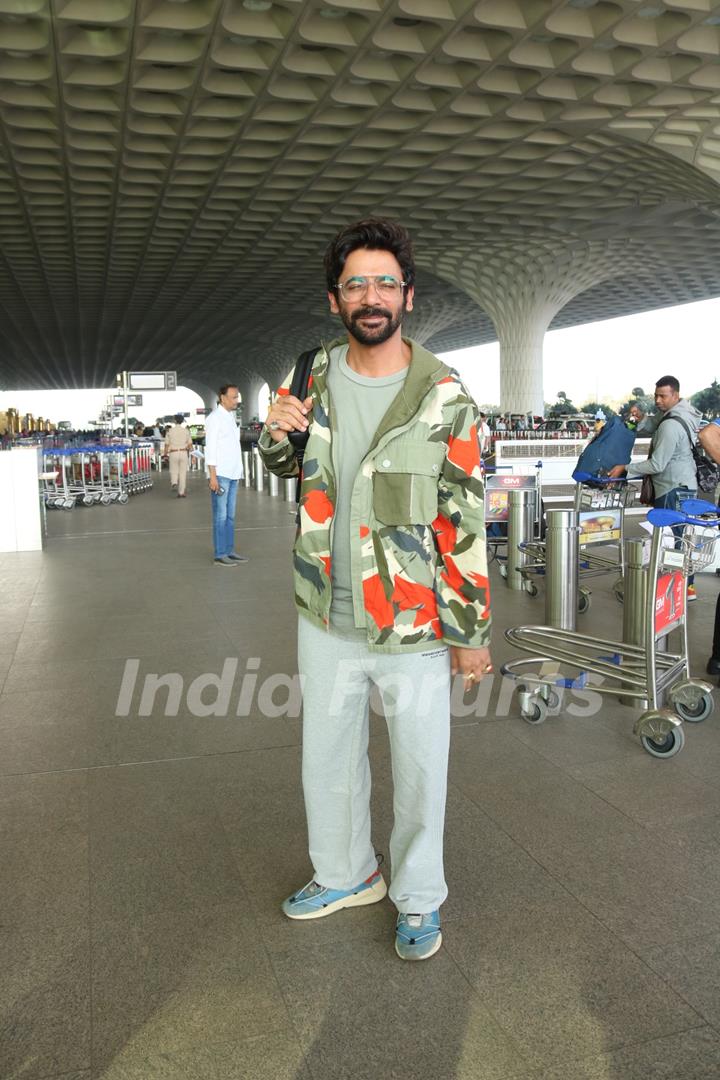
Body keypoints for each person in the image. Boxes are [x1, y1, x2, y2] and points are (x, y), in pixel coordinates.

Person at [258, 218, 492, 962]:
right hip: (325, 612)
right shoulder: (312, 376)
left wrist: (472, 633)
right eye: (355, 283)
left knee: (422, 768)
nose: (371, 295)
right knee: (325, 758)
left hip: (415, 621)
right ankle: (346, 872)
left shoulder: (445, 395)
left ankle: (418, 898)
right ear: (335, 301)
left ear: (408, 297)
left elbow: (464, 520)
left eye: (385, 282)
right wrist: (273, 428)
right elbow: (281, 465)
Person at [609, 376, 702, 599]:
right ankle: (686, 586)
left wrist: (625, 468)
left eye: (663, 396)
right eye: (656, 395)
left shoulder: (670, 425)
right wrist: (640, 419)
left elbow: (657, 464)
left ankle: (676, 589)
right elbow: (653, 424)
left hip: (672, 487)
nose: (658, 400)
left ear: (675, 396)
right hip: (683, 484)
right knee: (681, 537)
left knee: (673, 540)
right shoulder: (679, 414)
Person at [204, 385, 247, 565]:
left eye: (237, 397)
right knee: (220, 516)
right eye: (233, 397)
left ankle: (229, 550)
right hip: (220, 474)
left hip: (233, 473)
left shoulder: (230, 417)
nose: (236, 400)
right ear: (223, 398)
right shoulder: (214, 418)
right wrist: (212, 476)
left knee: (230, 516)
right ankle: (220, 554)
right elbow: (211, 448)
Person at [164, 414, 192, 497]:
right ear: (182, 421)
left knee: (173, 469)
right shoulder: (186, 431)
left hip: (173, 452)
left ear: (175, 421)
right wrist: (193, 455)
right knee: (183, 473)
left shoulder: (170, 431)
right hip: (183, 453)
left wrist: (165, 453)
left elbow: (166, 444)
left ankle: (174, 482)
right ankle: (181, 492)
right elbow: (190, 444)